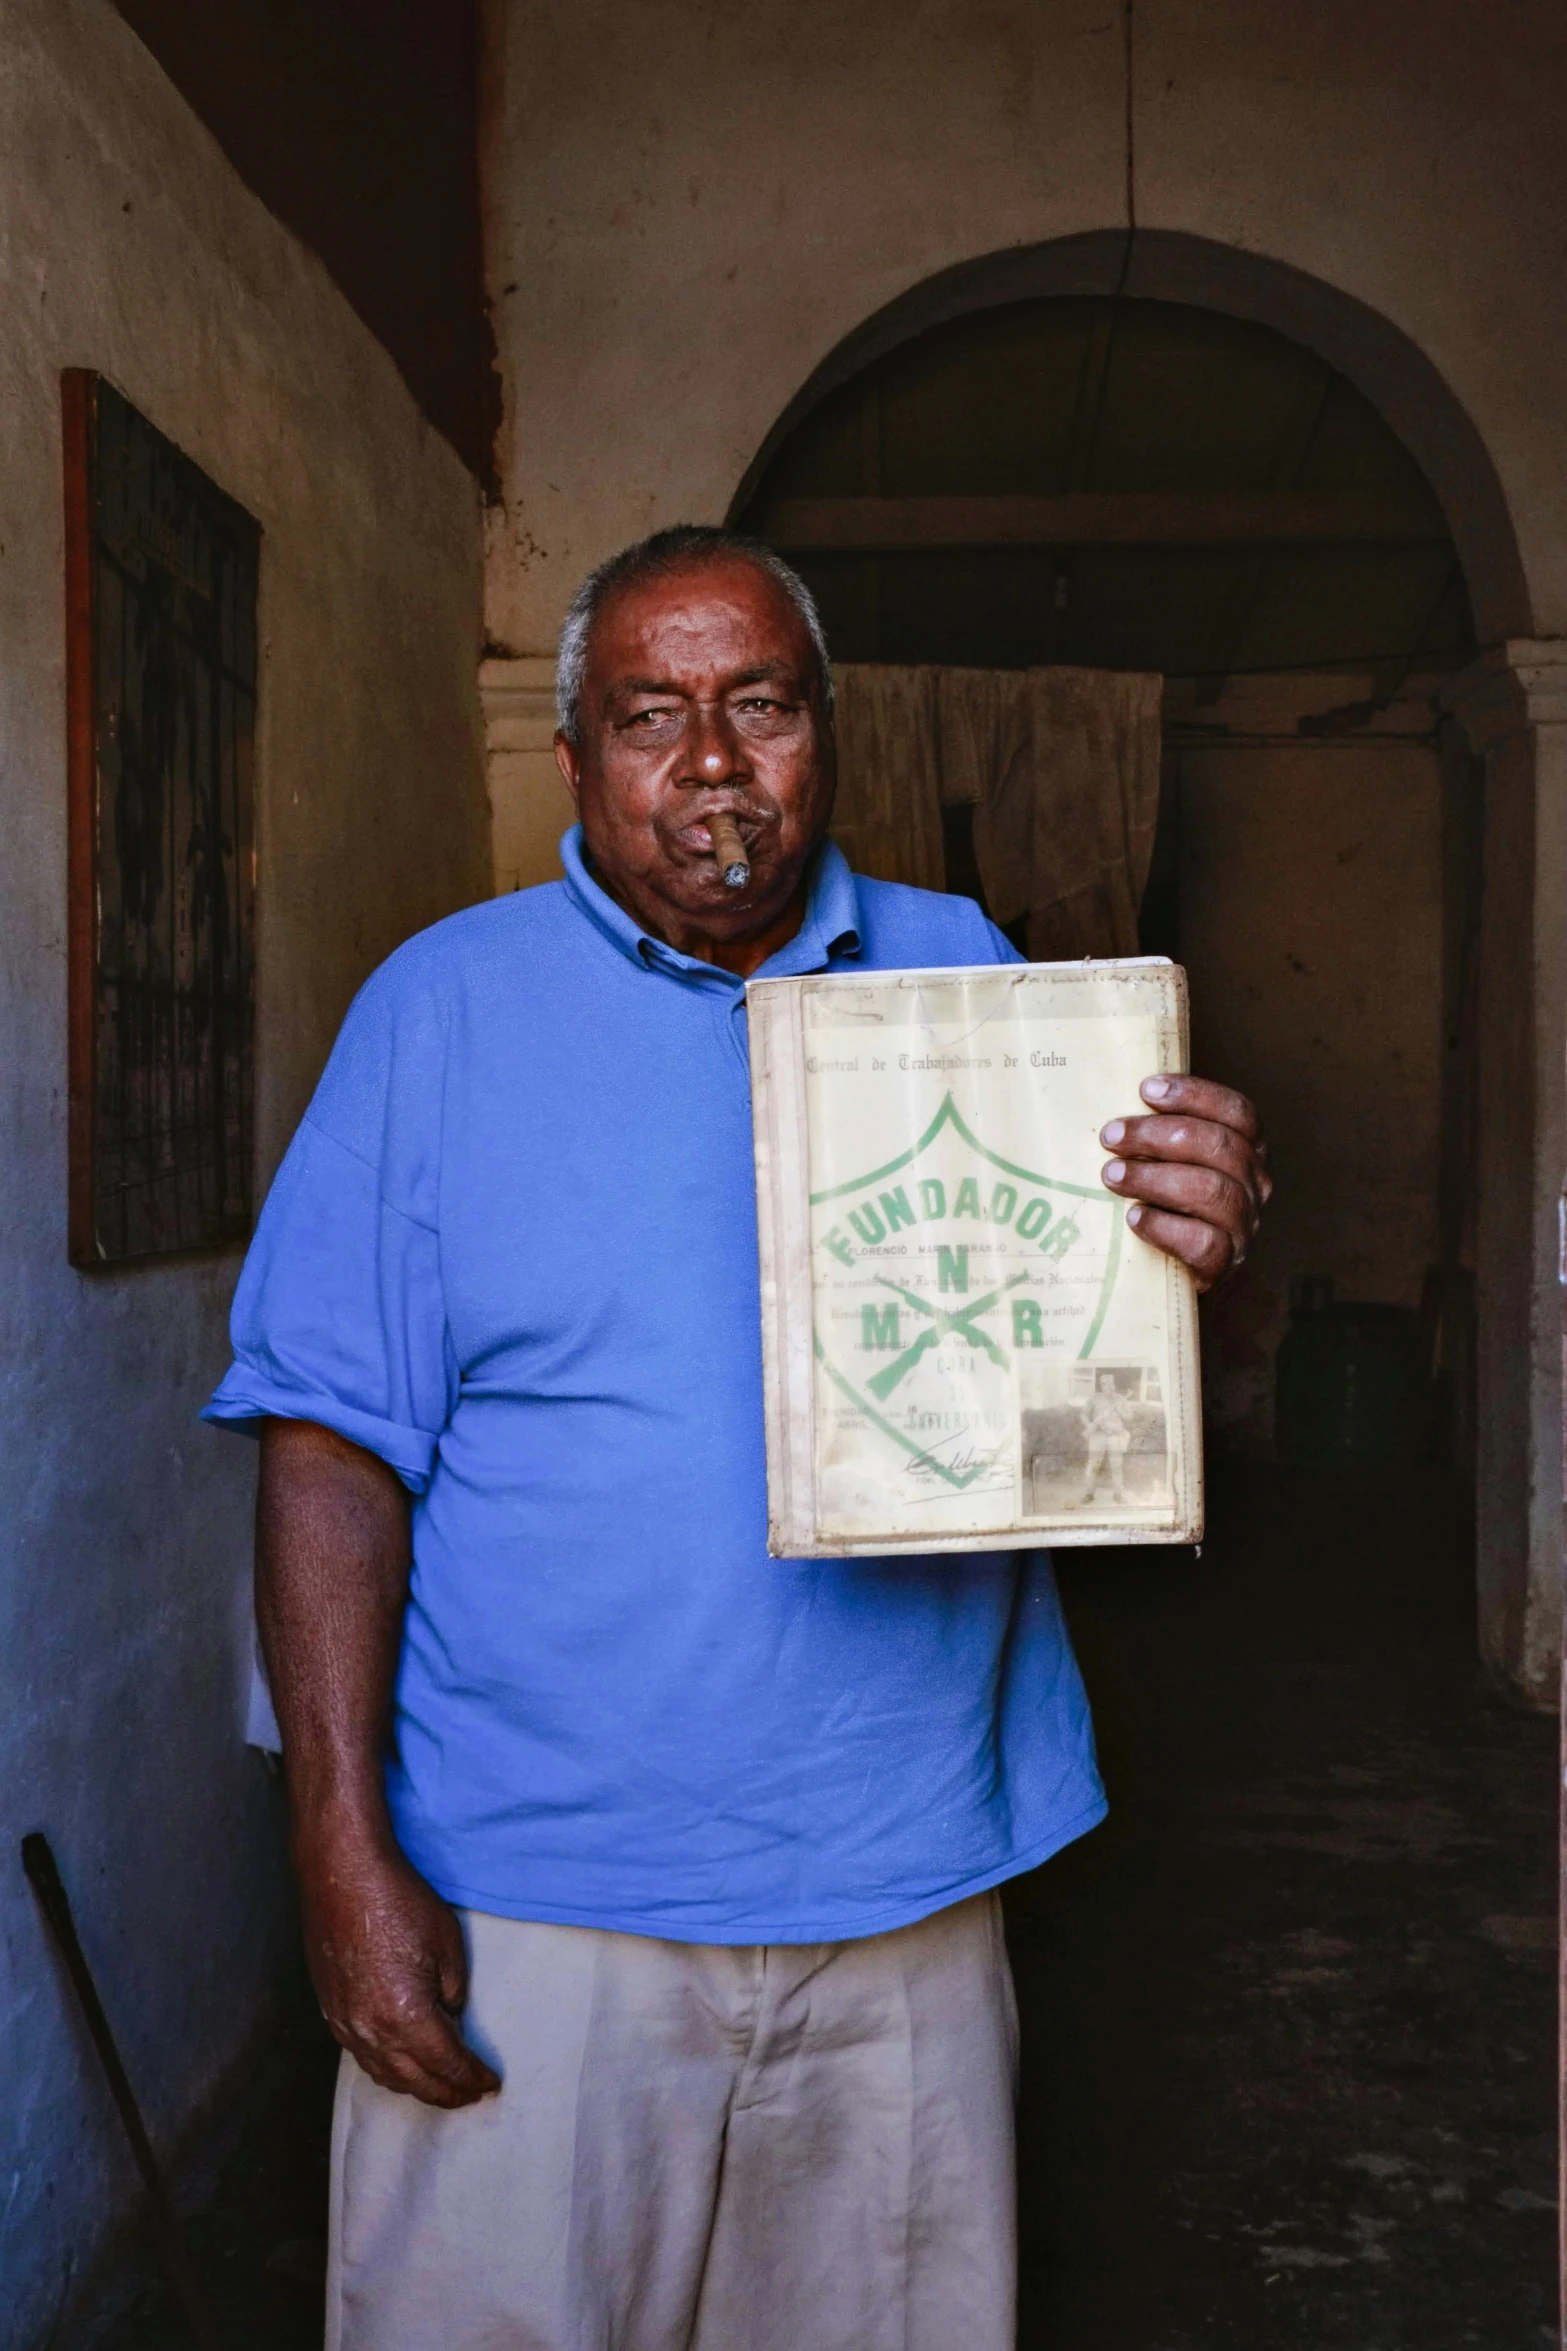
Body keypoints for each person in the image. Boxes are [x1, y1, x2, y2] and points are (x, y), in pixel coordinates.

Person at [206, 526, 1270, 2351]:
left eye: (757, 705)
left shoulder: (973, 979)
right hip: (529, 1907)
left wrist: (1202, 1232)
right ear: (574, 763)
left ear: (824, 733)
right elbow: (326, 1447)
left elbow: (1086, 1348)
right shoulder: (439, 1013)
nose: (710, 762)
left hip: (905, 1881)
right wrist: (336, 1846)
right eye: (649, 716)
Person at [1080, 1369, 1134, 1505]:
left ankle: (1118, 1494)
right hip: (1098, 1435)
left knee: (1116, 1466)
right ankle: (1089, 1493)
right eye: (1105, 1383)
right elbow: (1083, 1414)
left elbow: (1129, 1417)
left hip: (1115, 1436)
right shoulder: (1094, 1398)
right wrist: (1090, 1425)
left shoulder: (1121, 1398)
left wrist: (1120, 1409)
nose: (1108, 1386)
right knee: (1093, 1465)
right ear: (1101, 1385)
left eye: (1110, 1383)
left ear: (1114, 1384)